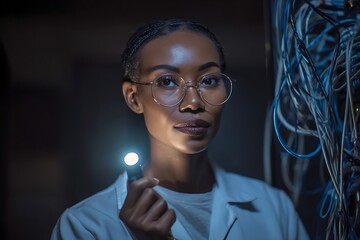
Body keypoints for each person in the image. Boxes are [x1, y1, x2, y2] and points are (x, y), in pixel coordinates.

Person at [51, 18, 309, 240]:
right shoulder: (86, 226)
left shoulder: (273, 209)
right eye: (167, 81)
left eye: (209, 80)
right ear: (133, 97)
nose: (194, 102)